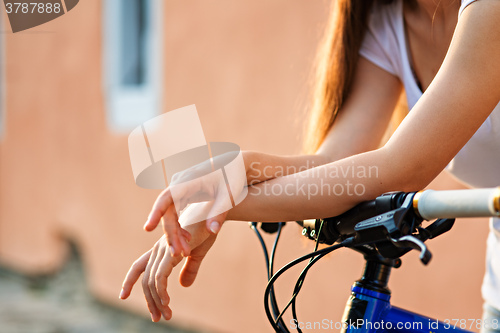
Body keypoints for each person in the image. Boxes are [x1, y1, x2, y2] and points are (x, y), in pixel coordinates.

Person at [119, 0, 500, 330]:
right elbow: (337, 163)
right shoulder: (388, 21)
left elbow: (401, 167)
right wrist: (237, 171)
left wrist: (223, 206)